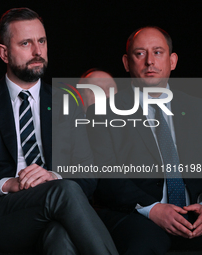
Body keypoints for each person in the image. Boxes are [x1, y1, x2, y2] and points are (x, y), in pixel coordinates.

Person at [0, 7, 118, 255]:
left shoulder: (67, 101)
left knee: (59, 236)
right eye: (25, 43)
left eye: (41, 41)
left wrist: (52, 176)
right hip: (0, 216)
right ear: (4, 53)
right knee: (64, 191)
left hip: (55, 209)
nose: (37, 51)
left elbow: (87, 175)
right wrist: (9, 184)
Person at [87, 26, 202, 254]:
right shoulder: (102, 113)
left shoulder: (196, 108)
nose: (150, 61)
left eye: (158, 52)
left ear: (172, 60)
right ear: (126, 62)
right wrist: (153, 209)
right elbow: (106, 178)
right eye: (140, 53)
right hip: (136, 214)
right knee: (146, 242)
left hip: (193, 213)